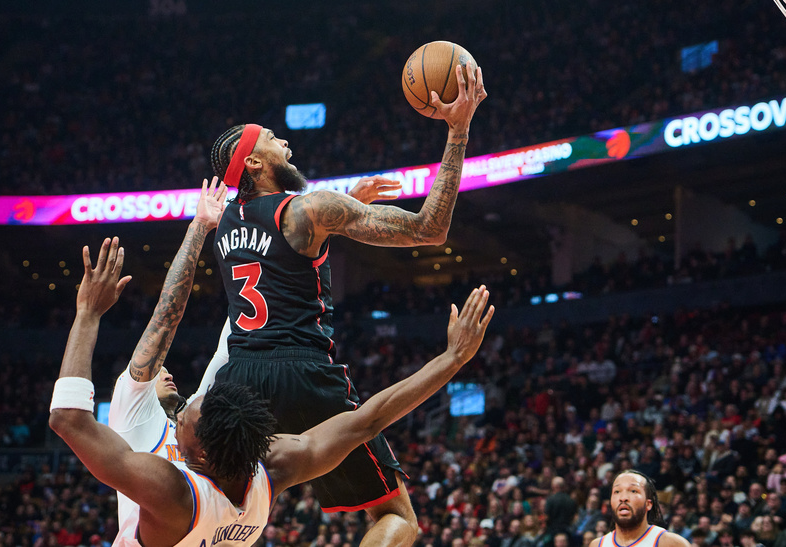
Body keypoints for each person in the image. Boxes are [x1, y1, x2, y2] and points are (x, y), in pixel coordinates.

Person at [48, 233, 495, 547]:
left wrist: (87, 314)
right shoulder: (270, 468)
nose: (182, 411)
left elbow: (67, 419)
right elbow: (370, 418)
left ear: (195, 453)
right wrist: (453, 359)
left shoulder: (172, 492)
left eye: (183, 417)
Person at [208, 60, 486, 546]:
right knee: (395, 514)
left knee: (217, 517)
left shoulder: (224, 223)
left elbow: (281, 251)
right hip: (302, 373)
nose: (287, 143)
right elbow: (430, 228)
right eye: (274, 139)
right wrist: (458, 131)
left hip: (237, 381)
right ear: (253, 162)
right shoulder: (312, 208)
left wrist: (344, 208)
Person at [106, 178, 230, 545]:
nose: (168, 371)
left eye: (166, 369)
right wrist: (199, 227)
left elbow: (228, 344)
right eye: (159, 370)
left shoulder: (196, 416)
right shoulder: (133, 412)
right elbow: (164, 320)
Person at [589, 471, 690, 547]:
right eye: (617, 491)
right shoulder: (597, 545)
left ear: (648, 504)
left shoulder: (670, 543)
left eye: (633, 491)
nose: (623, 498)